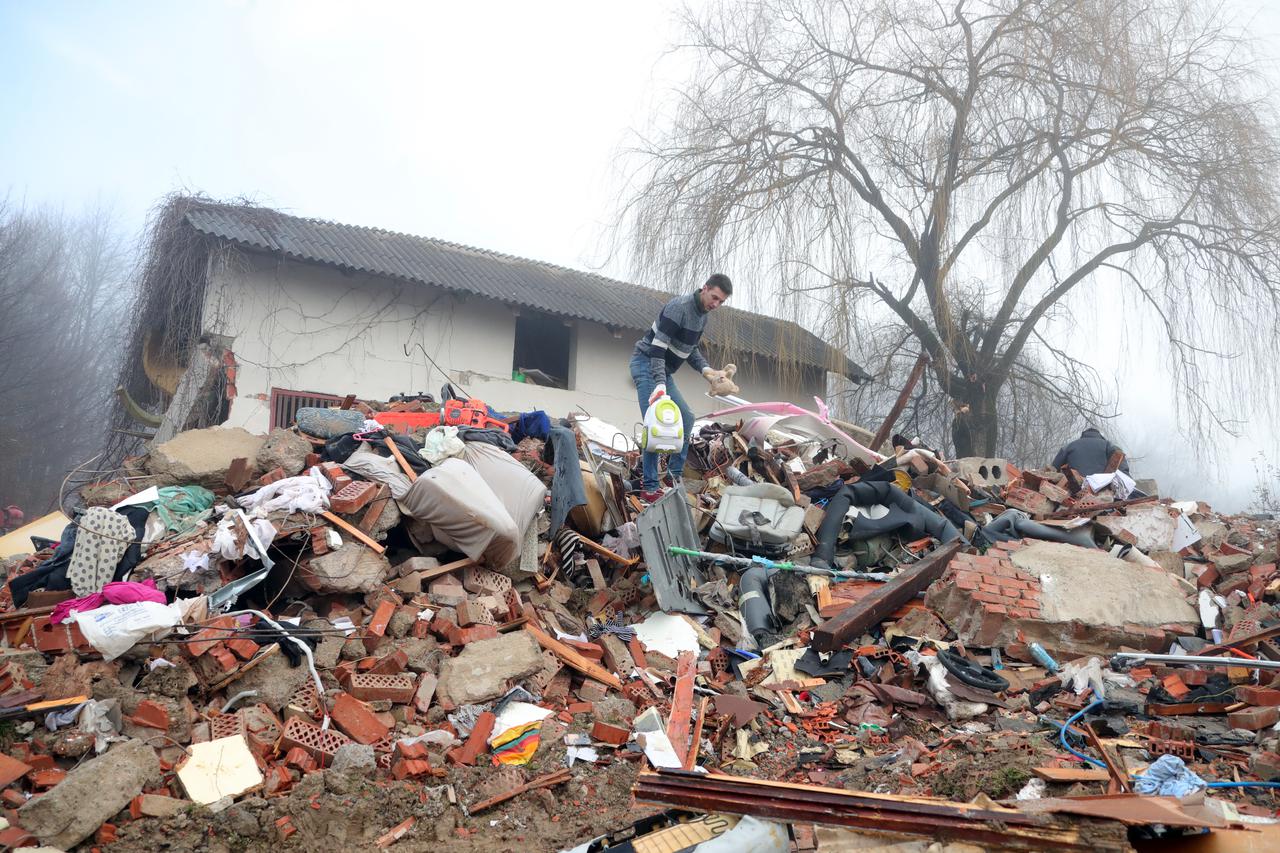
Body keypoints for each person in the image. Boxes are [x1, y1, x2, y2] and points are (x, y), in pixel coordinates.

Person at [629, 273, 734, 502]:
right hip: (647, 364)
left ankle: (672, 477)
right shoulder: (679, 307)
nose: (715, 304)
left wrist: (708, 372)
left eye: (721, 302)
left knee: (686, 417)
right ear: (704, 288)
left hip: (663, 371)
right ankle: (649, 488)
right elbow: (658, 348)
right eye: (714, 297)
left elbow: (690, 350)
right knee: (655, 423)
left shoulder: (702, 316)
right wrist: (659, 383)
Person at [1051, 427, 1130, 477]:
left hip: (1074, 488)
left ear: (1083, 436)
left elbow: (1053, 468)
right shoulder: (1108, 445)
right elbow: (1121, 462)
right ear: (1099, 436)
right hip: (1101, 488)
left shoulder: (1070, 446)